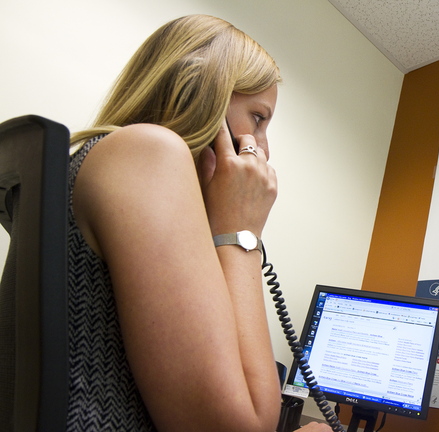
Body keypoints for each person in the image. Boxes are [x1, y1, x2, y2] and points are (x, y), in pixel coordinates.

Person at [67, 14, 332, 431]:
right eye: (258, 118)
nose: (263, 147)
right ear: (201, 93)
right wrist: (243, 232)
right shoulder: (147, 152)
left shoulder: (115, 157)